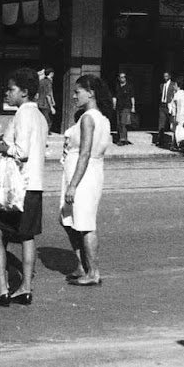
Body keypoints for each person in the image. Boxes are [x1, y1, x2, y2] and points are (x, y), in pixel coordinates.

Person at [0, 66, 48, 306]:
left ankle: (2, 289)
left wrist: (1, 147)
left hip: (16, 187)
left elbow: (22, 152)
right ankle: (25, 288)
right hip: (35, 185)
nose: (7, 93)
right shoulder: (40, 117)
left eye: (11, 89)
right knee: (27, 235)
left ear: (24, 92)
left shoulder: (22, 114)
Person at [61, 74, 113, 286]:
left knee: (85, 222)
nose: (74, 96)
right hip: (87, 173)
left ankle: (93, 272)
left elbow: (85, 153)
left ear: (90, 93)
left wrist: (73, 185)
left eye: (77, 92)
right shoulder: (101, 119)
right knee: (68, 218)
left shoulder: (88, 118)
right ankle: (83, 265)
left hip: (83, 176)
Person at [113, 72, 135, 145]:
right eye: (121, 77)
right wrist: (114, 105)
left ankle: (123, 139)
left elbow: (132, 97)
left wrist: (133, 107)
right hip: (118, 106)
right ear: (119, 78)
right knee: (119, 123)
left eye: (124, 77)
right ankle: (122, 138)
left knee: (123, 122)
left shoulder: (129, 86)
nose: (122, 78)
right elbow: (114, 97)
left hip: (126, 106)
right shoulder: (117, 86)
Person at [169, 76, 184, 151]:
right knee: (177, 130)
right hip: (182, 113)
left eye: (174, 85)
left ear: (177, 85)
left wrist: (177, 116)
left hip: (179, 114)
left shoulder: (179, 94)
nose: (173, 86)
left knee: (178, 130)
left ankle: (182, 144)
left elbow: (178, 105)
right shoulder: (183, 93)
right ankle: (175, 145)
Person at [36, 66, 57, 134]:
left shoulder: (41, 81)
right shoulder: (48, 82)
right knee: (48, 121)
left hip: (39, 103)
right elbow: (48, 95)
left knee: (41, 119)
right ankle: (45, 134)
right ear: (51, 73)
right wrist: (51, 107)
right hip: (45, 104)